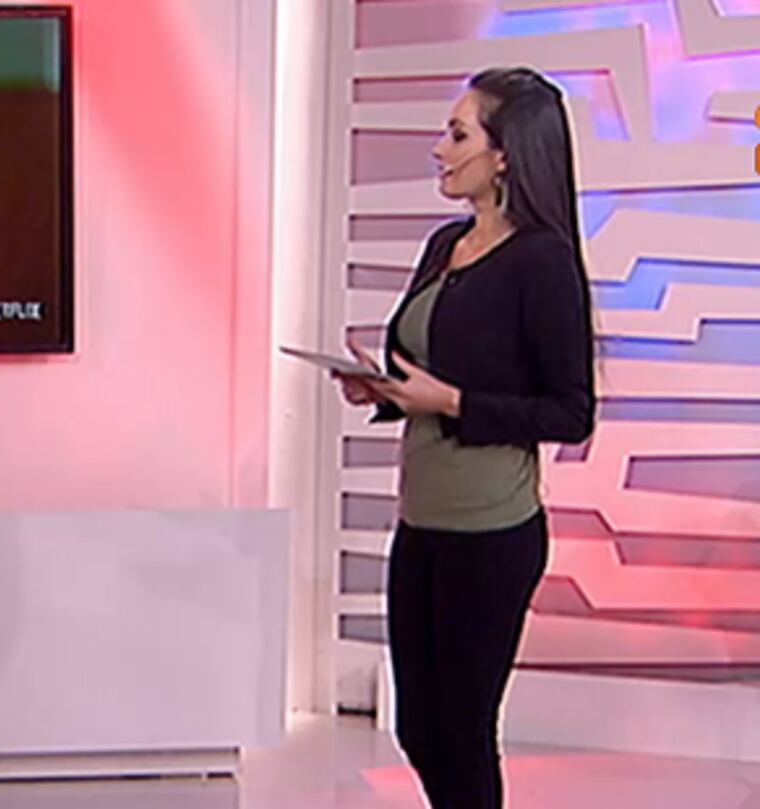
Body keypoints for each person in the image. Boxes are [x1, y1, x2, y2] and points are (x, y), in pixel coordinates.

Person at [332, 67, 595, 809]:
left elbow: (570, 412)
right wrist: (384, 389)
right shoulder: (445, 243)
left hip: (493, 535)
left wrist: (451, 402)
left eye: (457, 134)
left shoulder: (543, 261)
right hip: (422, 524)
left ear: (504, 154)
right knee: (418, 726)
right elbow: (428, 366)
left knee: (464, 731)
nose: (439, 150)